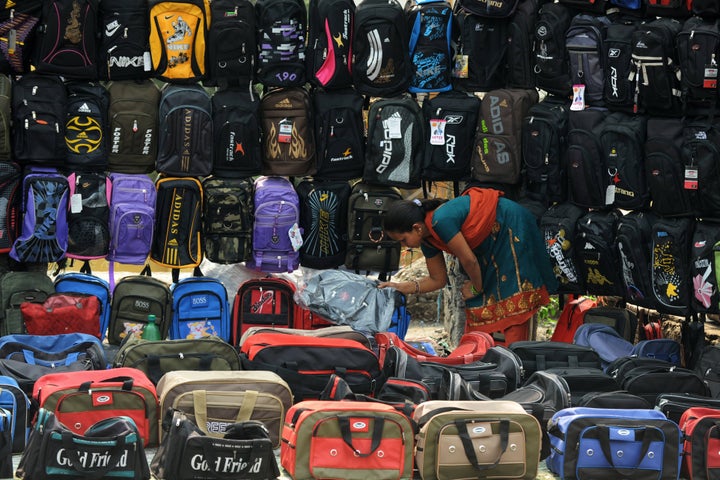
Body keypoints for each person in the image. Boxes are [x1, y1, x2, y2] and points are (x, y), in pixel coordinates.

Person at [378, 187, 558, 343]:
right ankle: (483, 360)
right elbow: (438, 280)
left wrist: (476, 288)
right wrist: (400, 287)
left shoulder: (440, 221)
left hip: (509, 227)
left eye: (403, 240)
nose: (404, 246)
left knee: (514, 302)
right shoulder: (426, 239)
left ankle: (515, 363)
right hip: (489, 246)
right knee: (480, 305)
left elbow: (469, 261)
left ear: (417, 228)